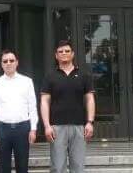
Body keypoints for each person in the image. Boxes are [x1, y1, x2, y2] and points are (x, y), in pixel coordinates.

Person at [40, 41, 95, 173]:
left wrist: (90, 122)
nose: (64, 53)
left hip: (79, 127)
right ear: (56, 55)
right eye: (60, 51)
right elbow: (44, 101)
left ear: (72, 54)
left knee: (78, 167)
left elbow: (90, 99)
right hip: (56, 127)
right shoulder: (50, 76)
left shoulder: (84, 75)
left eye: (67, 51)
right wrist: (47, 126)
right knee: (58, 167)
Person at [0, 50, 38, 173]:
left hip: (22, 128)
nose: (8, 63)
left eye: (11, 60)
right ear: (1, 64)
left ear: (17, 62)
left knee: (22, 166)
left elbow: (32, 107)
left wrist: (33, 129)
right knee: (3, 167)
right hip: (2, 129)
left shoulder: (27, 81)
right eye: (5, 61)